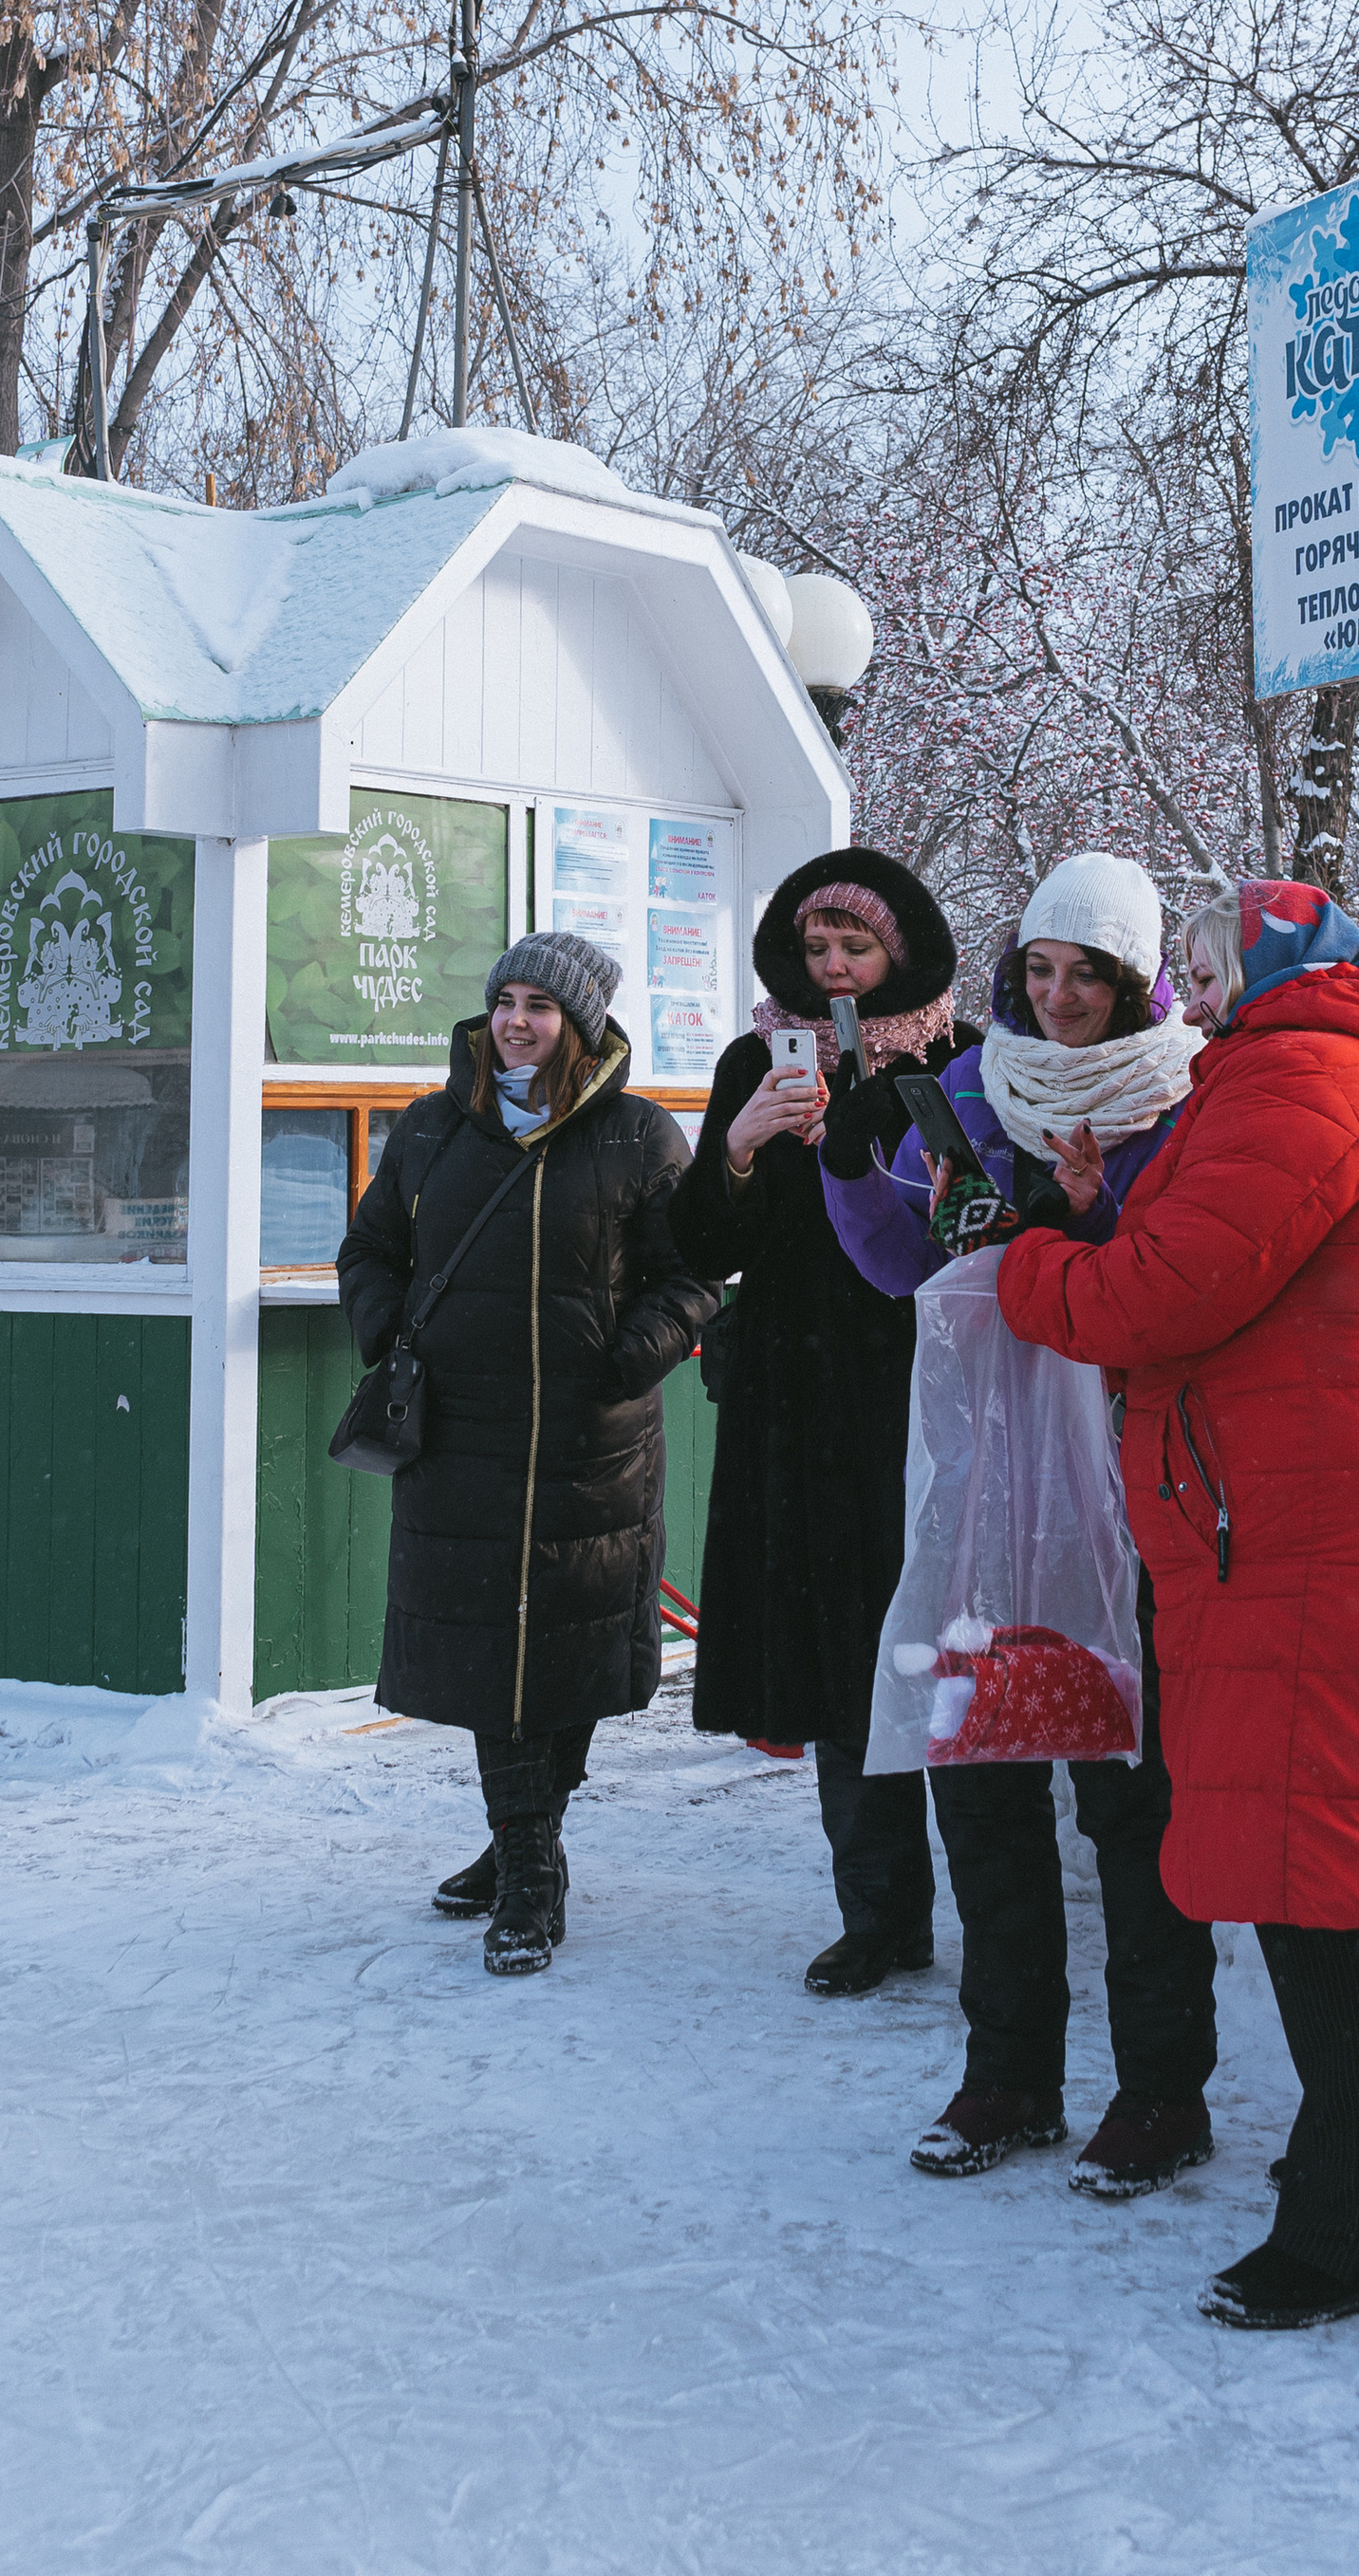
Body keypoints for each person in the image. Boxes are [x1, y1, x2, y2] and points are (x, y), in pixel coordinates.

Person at [997, 879, 1359, 2328]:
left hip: (1327, 1528)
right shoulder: (1323, 1073)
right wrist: (1115, 1213)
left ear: (1266, 972)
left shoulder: (1300, 1077)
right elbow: (1228, 1261)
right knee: (1348, 1873)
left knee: (1330, 1883)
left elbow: (1157, 1301)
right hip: (1316, 1515)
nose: (1197, 994)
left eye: (1211, 969)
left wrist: (1030, 1253)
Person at [824, 852, 1218, 2202]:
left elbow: (1177, 1284)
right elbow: (909, 1267)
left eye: (1089, 975)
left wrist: (1097, 1222)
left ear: (1135, 982)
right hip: (993, 1499)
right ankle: (1011, 2075)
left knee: (1131, 1808)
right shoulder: (982, 1091)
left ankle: (1162, 2089)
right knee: (983, 1790)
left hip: (1128, 1500)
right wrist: (853, 1170)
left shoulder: (1183, 1101)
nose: (1059, 999)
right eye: (1040, 970)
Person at [337, 930, 715, 1979]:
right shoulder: (430, 1132)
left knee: (569, 1658)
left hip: (592, 1446)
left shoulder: (640, 1140)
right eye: (504, 999)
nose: (515, 1021)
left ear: (580, 1025)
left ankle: (517, 1836)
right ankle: (531, 1870)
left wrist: (634, 1352)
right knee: (487, 1655)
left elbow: (692, 1277)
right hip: (461, 1442)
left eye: (540, 1006)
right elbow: (370, 1250)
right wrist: (386, 1329)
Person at [668, 854, 972, 1998]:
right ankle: (880, 1914)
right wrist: (739, 1147)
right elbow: (699, 1249)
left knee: (942, 1649)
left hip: (925, 1391)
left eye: (856, 947)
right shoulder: (758, 1058)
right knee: (841, 1658)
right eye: (816, 950)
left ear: (904, 951)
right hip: (796, 1400)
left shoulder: (958, 1057)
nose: (835, 970)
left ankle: (997, 1905)